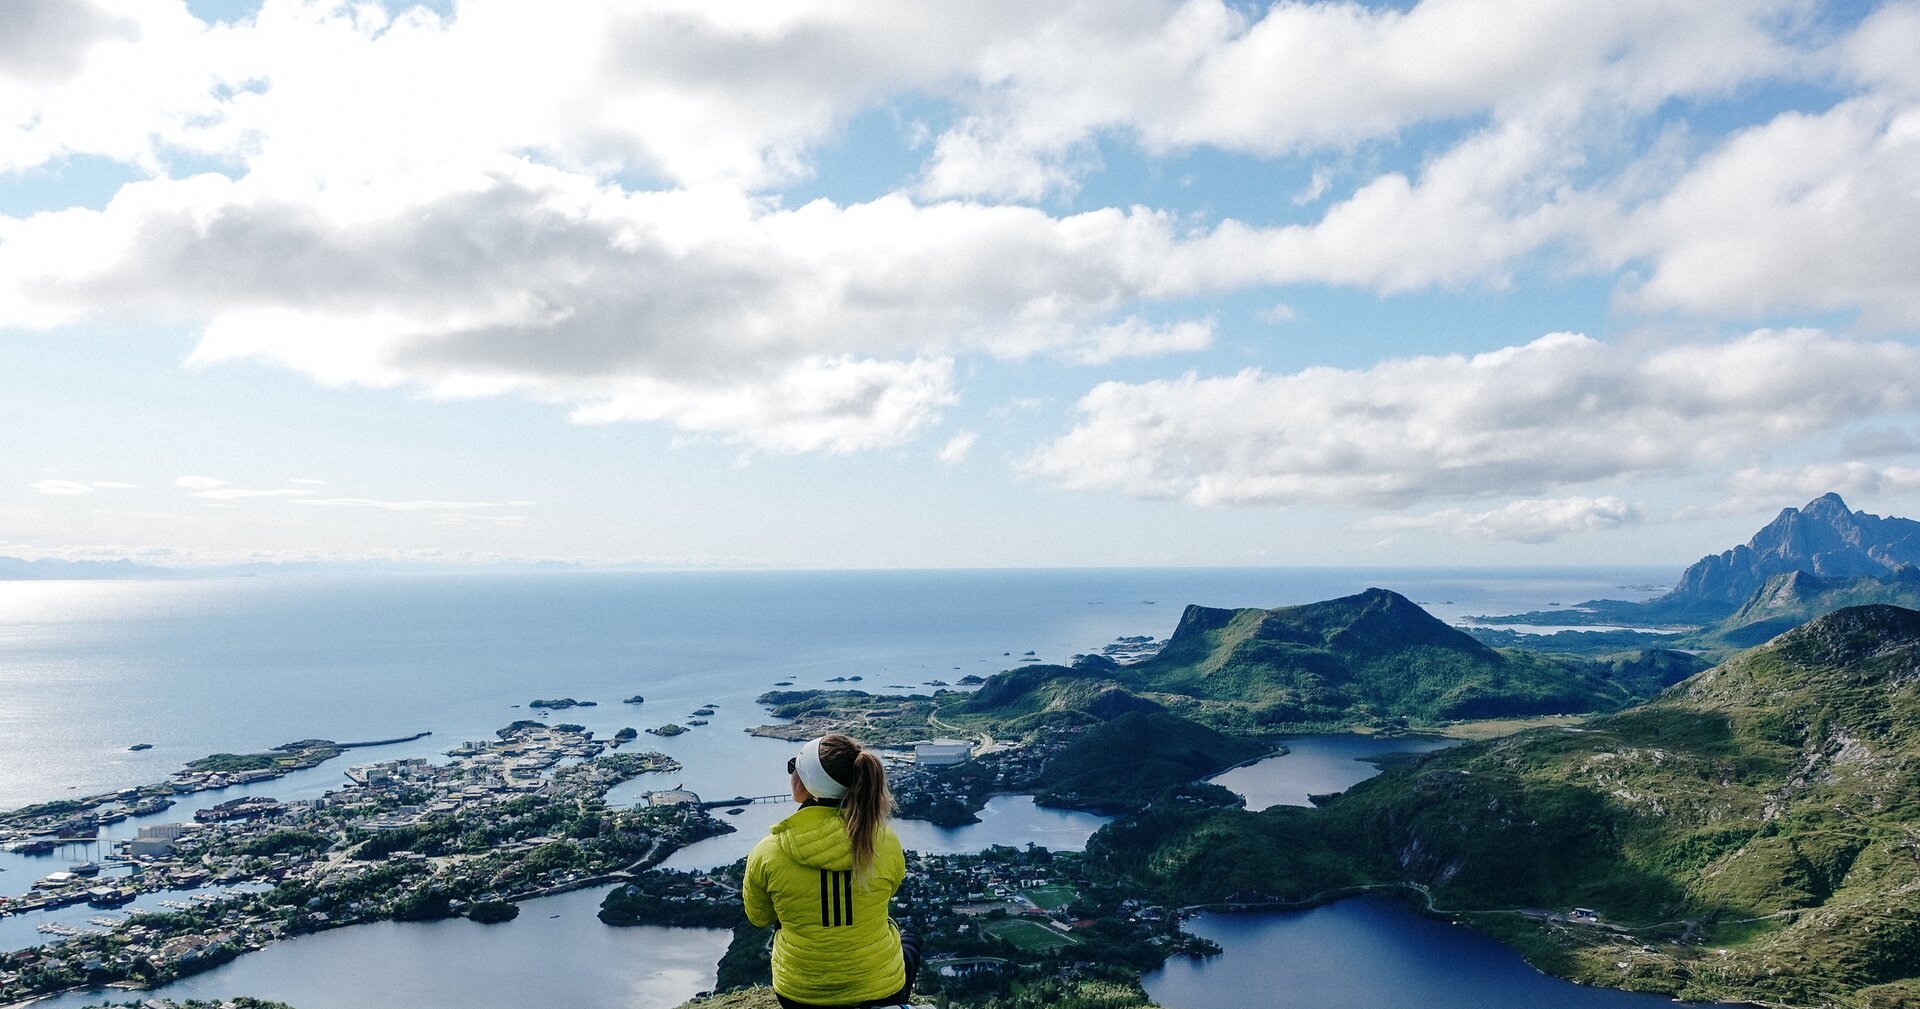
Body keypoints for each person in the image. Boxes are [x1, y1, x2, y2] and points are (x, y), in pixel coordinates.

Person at [744, 733, 921, 1009]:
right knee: (910, 942)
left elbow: (759, 916)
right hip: (881, 989)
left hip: (799, 995)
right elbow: (889, 891)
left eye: (795, 767)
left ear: (810, 787)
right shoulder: (883, 841)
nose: (791, 773)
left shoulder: (768, 853)